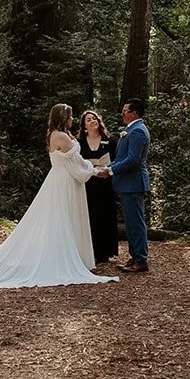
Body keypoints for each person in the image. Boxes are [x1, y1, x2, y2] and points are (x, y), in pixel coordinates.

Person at [0, 104, 119, 288]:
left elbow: (76, 162)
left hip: (61, 179)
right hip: (65, 182)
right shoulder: (62, 137)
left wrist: (91, 170)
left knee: (62, 218)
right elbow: (77, 163)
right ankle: (62, 257)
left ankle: (69, 255)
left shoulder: (56, 134)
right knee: (64, 218)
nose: (72, 119)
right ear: (63, 118)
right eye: (70, 116)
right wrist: (95, 172)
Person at [108, 98, 152, 274]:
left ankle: (141, 259)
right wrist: (107, 168)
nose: (122, 113)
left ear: (134, 113)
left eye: (125, 110)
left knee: (136, 222)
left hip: (133, 183)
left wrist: (110, 171)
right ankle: (135, 256)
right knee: (131, 223)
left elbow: (132, 160)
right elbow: (121, 158)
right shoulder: (131, 130)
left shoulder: (138, 132)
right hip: (127, 183)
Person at [76, 109, 119, 265]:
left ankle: (106, 252)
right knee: (90, 215)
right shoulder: (79, 143)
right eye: (88, 119)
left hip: (106, 184)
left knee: (105, 215)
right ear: (84, 126)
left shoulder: (109, 140)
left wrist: (109, 170)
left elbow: (117, 160)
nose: (92, 120)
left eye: (94, 118)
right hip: (88, 184)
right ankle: (90, 251)